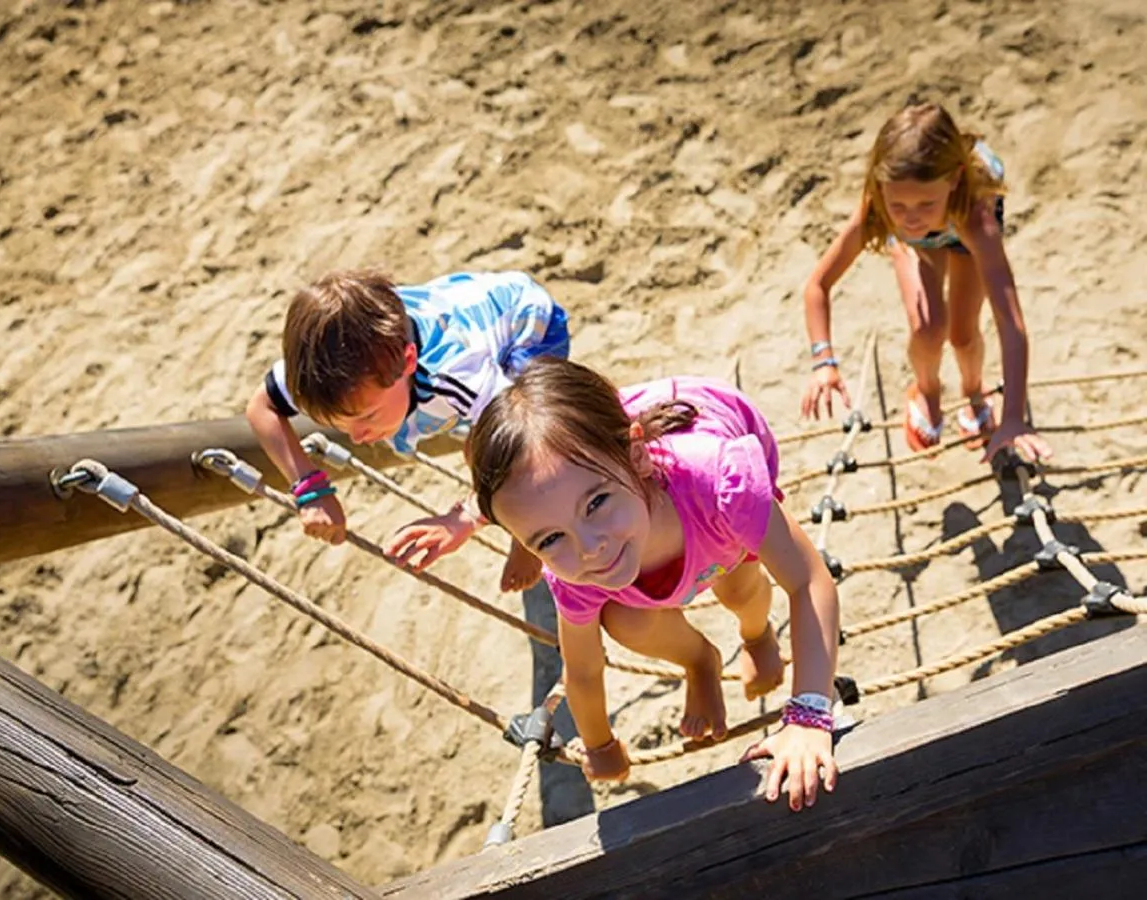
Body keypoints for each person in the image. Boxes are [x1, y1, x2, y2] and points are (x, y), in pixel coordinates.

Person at [469, 357, 841, 810]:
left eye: (597, 503)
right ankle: (700, 661)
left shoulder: (720, 485)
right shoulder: (574, 571)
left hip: (703, 481)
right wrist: (600, 746)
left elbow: (808, 580)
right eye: (548, 539)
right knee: (625, 620)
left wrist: (808, 717)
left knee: (739, 587)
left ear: (637, 456)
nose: (589, 547)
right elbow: (582, 670)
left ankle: (756, 633)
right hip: (610, 453)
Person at [246, 269, 570, 591]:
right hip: (455, 302)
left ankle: (525, 535)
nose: (356, 436)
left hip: (527, 324)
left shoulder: (453, 370)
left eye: (367, 416)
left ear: (409, 361)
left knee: (482, 449)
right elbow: (262, 407)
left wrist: (465, 518)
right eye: (339, 425)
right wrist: (309, 487)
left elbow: (526, 439)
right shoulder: (323, 369)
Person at [800, 101, 1052, 463]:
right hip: (918, 244)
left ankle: (974, 390)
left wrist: (1013, 417)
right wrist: (823, 361)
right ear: (882, 188)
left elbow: (1009, 320)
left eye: (925, 204)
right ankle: (927, 390)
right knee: (927, 328)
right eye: (898, 206)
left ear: (953, 180)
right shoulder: (882, 207)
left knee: (963, 334)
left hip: (958, 225)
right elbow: (818, 285)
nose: (912, 218)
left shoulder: (975, 216)